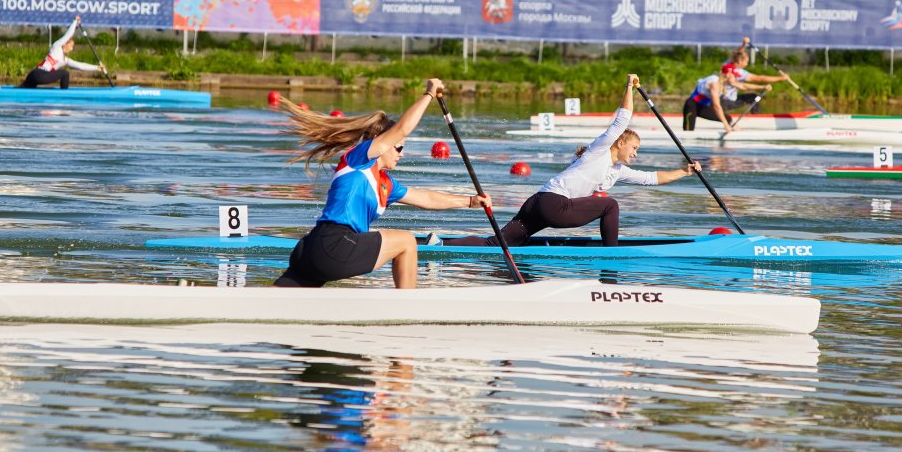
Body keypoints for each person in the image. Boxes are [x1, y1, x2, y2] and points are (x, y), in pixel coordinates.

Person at [273, 78, 493, 289]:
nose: (401, 154)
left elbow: (425, 198)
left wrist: (470, 201)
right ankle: (407, 310)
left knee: (274, 301)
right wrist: (428, 94)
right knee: (406, 242)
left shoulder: (386, 184)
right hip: (336, 244)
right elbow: (402, 129)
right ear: (382, 143)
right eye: (398, 148)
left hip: (313, 249)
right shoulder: (359, 159)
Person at [437, 74, 700, 249]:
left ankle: (439, 244)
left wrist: (684, 171)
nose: (635, 154)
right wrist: (629, 86)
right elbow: (622, 119)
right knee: (610, 205)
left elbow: (651, 178)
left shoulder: (616, 171)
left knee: (499, 244)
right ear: (620, 143)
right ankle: (613, 255)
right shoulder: (600, 149)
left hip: (537, 202)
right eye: (634, 148)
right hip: (553, 204)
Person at [21, 15, 106, 89]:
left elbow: (80, 65)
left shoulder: (65, 60)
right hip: (39, 74)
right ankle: (64, 96)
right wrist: (75, 22)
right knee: (65, 73)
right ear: (65, 43)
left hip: (33, 75)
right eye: (72, 46)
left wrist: (98, 68)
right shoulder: (56, 46)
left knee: (23, 89)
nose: (72, 49)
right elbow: (68, 35)